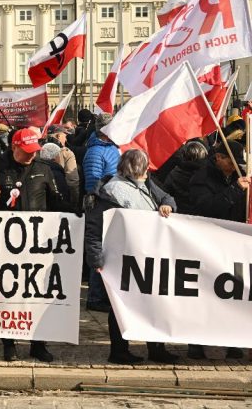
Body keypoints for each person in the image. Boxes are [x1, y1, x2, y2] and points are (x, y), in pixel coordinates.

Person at [0, 127, 71, 363]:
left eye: (34, 150)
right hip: (7, 244)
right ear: (14, 147)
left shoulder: (44, 169)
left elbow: (58, 205)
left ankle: (38, 343)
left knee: (37, 294)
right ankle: (9, 343)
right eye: (27, 151)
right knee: (8, 293)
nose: (32, 155)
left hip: (38, 244)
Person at [84, 149, 179, 364]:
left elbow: (167, 197)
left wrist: (167, 205)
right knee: (121, 304)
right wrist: (97, 260)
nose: (148, 171)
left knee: (153, 302)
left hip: (148, 256)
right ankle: (118, 351)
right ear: (136, 169)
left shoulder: (146, 183)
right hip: (122, 259)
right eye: (145, 167)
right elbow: (95, 228)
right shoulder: (112, 192)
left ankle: (156, 348)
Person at [186, 140, 249, 360]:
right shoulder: (200, 179)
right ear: (219, 158)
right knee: (203, 294)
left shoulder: (237, 175)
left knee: (229, 294)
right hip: (206, 244)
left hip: (232, 245)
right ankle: (196, 342)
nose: (235, 167)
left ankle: (228, 338)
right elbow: (207, 208)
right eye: (231, 162)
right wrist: (234, 190)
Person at [82, 113, 120, 313]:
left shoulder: (112, 148)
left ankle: (104, 293)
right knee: (100, 251)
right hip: (102, 205)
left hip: (114, 203)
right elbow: (93, 182)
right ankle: (95, 297)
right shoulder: (96, 152)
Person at [162, 141, 207, 215]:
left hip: (180, 213)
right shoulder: (206, 174)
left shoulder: (174, 173)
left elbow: (166, 192)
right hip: (201, 216)